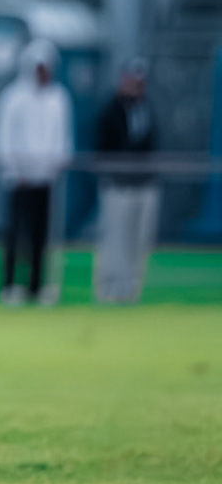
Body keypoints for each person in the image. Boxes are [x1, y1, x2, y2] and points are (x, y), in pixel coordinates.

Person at [0, 39, 74, 306]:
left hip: (45, 178)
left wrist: (56, 164)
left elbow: (63, 138)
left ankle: (37, 286)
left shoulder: (58, 97)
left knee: (41, 234)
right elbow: (2, 138)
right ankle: (9, 284)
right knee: (16, 233)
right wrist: (14, 170)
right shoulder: (13, 96)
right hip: (20, 179)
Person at [95, 59, 157, 303]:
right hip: (118, 184)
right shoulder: (110, 109)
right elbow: (104, 145)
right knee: (115, 237)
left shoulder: (146, 108)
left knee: (139, 238)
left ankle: (131, 288)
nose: (136, 85)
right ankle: (109, 287)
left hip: (143, 183)